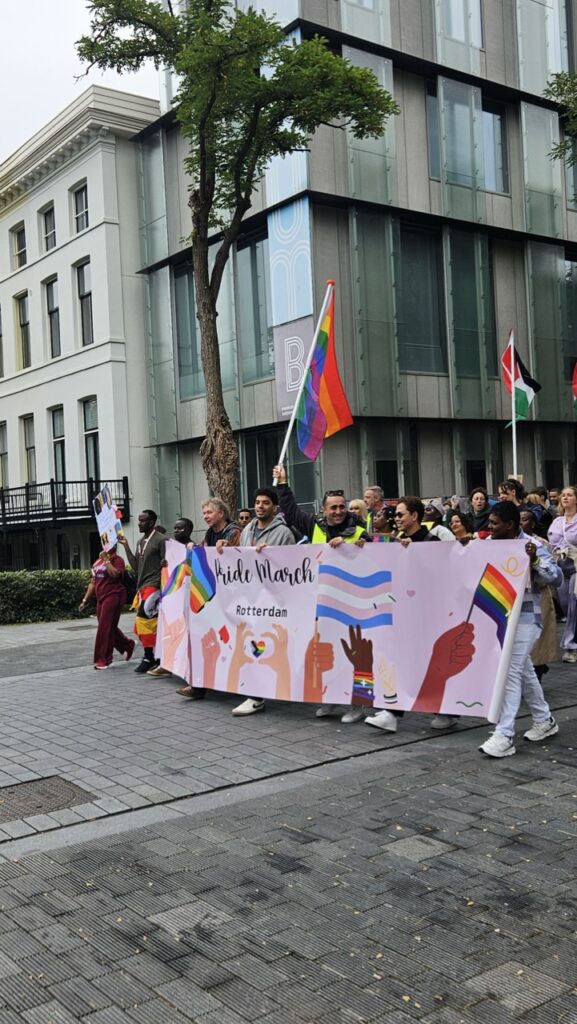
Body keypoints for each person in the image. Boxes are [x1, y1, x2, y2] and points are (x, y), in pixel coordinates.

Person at [273, 463, 369, 723]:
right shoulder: (314, 525)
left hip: (351, 604)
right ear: (324, 509)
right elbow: (291, 513)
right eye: (333, 507)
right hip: (320, 602)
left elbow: (375, 560)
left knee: (353, 653)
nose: (338, 511)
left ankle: (357, 704)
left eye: (341, 506)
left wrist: (359, 546)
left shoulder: (360, 531)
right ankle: (331, 699)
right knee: (325, 651)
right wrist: (282, 484)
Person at [478, 501, 561, 758]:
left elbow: (556, 577)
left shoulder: (533, 545)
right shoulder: (488, 545)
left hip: (526, 618)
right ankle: (544, 720)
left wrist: (534, 560)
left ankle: (504, 734)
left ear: (510, 525)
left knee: (510, 671)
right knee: (522, 669)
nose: (490, 527)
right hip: (499, 617)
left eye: (494, 523)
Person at [365, 497, 453, 733]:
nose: (397, 519)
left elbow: (440, 574)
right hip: (402, 612)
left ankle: (445, 709)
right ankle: (391, 712)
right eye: (396, 515)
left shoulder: (432, 541)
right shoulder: (395, 543)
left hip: (428, 614)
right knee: (398, 660)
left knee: (428, 662)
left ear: (415, 516)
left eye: (401, 514)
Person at [232, 488, 296, 717]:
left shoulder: (284, 533)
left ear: (275, 507)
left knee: (267, 644)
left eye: (266, 503)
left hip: (273, 600)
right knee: (251, 642)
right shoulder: (247, 529)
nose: (260, 506)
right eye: (257, 502)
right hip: (251, 596)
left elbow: (290, 567)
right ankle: (256, 693)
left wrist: (272, 555)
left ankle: (260, 693)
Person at [118, 509, 165, 674]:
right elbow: (137, 566)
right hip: (142, 586)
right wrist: (126, 547)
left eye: (143, 521)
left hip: (155, 585)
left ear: (152, 522)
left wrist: (162, 585)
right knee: (146, 623)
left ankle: (149, 656)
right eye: (139, 520)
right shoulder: (140, 542)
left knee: (144, 619)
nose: (139, 523)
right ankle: (154, 657)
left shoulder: (161, 540)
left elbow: (167, 564)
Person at [149, 518, 194, 680]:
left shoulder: (192, 547)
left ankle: (182, 666)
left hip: (185, 598)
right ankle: (166, 663)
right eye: (175, 528)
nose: (176, 531)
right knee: (166, 630)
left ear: (189, 530)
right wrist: (165, 563)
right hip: (170, 598)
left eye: (180, 528)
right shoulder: (171, 548)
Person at [79, 544, 134, 669]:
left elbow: (115, 574)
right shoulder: (97, 562)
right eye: (105, 543)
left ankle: (103, 659)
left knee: (104, 628)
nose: (107, 546)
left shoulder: (118, 560)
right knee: (108, 627)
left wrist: (106, 560)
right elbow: (93, 582)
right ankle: (127, 645)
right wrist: (85, 600)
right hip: (101, 597)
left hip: (114, 595)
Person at [520, 509, 558, 683]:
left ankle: (537, 676)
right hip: (519, 598)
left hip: (539, 594)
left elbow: (552, 574)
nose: (522, 523)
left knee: (538, 644)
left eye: (525, 520)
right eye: (519, 519)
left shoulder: (540, 543)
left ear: (533, 523)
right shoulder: (504, 543)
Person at [547, 486, 577, 663]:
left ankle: (570, 646)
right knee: (565, 605)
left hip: (576, 566)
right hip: (560, 566)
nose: (565, 498)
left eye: (569, 495)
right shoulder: (557, 521)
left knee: (574, 605)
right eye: (563, 495)